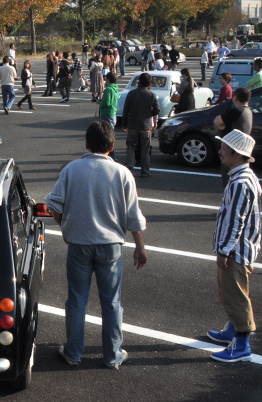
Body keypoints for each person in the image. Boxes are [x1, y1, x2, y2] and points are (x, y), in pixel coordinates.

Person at [45, 120, 148, 369]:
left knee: (77, 300)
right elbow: (133, 215)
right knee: (111, 301)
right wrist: (140, 247)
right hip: (111, 246)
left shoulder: (72, 169)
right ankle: (112, 355)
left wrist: (65, 227)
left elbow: (52, 205)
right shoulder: (123, 173)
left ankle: (73, 352)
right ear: (112, 146)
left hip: (78, 244)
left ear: (86, 144)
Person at [206, 129, 261, 363]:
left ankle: (241, 343)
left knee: (236, 295)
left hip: (236, 251)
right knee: (229, 292)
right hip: (238, 249)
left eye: (224, 148)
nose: (220, 151)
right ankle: (232, 329)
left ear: (237, 154)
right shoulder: (242, 176)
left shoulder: (240, 182)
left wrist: (224, 250)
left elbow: (235, 221)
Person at [122, 73, 160, 177]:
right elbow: (157, 110)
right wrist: (149, 114)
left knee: (130, 147)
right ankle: (145, 171)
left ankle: (129, 166)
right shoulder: (151, 95)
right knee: (145, 149)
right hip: (146, 125)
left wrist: (124, 123)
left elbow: (126, 110)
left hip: (133, 124)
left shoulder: (131, 93)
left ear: (139, 82)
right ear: (149, 83)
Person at [215, 87, 253, 186]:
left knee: (229, 181)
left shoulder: (236, 111)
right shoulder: (248, 111)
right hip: (242, 150)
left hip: (231, 150)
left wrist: (222, 126)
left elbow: (217, 121)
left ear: (235, 97)